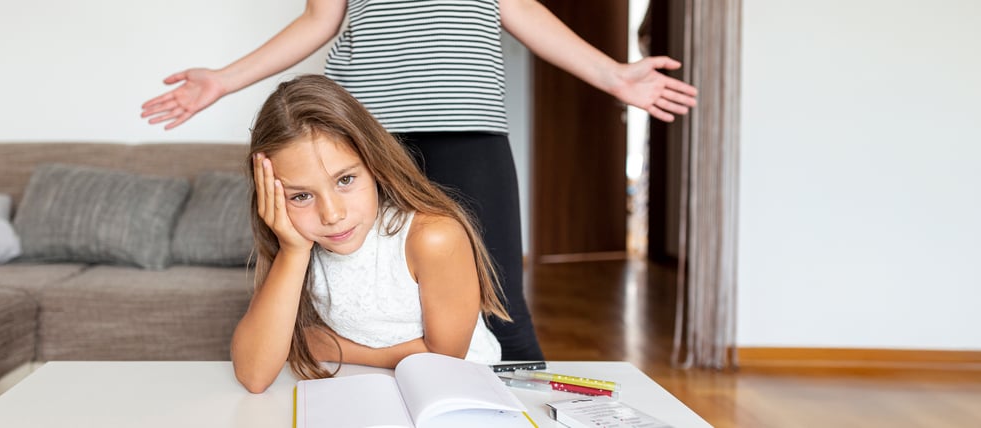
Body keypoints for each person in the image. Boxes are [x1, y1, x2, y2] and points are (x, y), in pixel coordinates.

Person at [142, 0, 698, 361]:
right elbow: (320, 18)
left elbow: (518, 5)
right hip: (370, 128)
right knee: (337, 277)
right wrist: (223, 80)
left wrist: (615, 75)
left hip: (467, 123)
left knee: (501, 302)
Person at [233, 74, 510, 393]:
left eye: (345, 180)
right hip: (361, 389)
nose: (333, 215)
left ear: (374, 163)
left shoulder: (432, 237)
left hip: (455, 391)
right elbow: (254, 376)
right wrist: (292, 252)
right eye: (301, 196)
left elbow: (445, 359)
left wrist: (332, 348)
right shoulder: (299, 242)